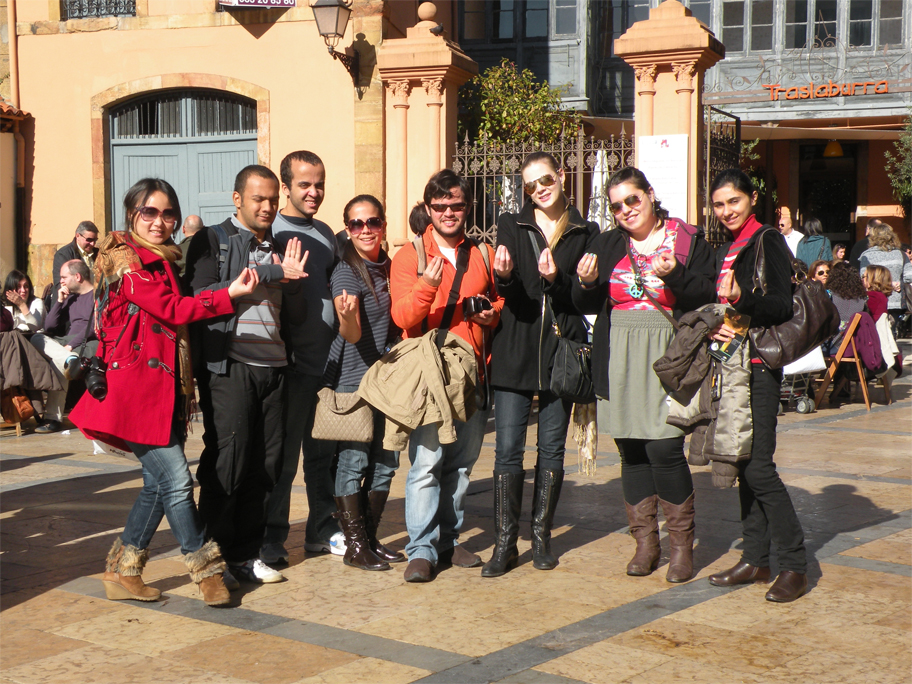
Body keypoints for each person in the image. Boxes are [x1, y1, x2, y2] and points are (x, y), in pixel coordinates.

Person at [70, 178, 260, 606]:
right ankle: (205, 570)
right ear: (132, 214)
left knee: (156, 485)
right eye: (149, 212)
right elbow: (172, 310)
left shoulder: (163, 259)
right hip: (134, 393)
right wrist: (229, 294)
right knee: (176, 479)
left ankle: (122, 571)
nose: (159, 221)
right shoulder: (128, 261)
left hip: (161, 391)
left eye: (167, 213)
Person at [573, 167, 715, 583]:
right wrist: (585, 283)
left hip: (668, 354)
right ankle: (645, 545)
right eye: (617, 206)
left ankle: (680, 548)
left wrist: (675, 275)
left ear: (650, 195)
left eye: (632, 200)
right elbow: (585, 300)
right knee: (631, 451)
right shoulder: (608, 243)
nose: (626, 210)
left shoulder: (687, 240)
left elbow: (707, 295)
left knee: (665, 449)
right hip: (619, 354)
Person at [184, 165, 308, 586]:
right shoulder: (212, 239)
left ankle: (245, 554)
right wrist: (274, 273)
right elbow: (200, 295)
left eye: (273, 199)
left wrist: (293, 284)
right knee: (228, 463)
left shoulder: (281, 246)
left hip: (274, 367)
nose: (267, 207)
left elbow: (293, 314)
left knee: (265, 465)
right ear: (237, 199)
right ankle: (213, 558)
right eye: (258, 199)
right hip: (230, 367)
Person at [482, 152, 599, 578]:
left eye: (545, 180)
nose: (539, 190)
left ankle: (541, 539)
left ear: (561, 176)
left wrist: (560, 280)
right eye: (530, 185)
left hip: (560, 351)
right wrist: (505, 277)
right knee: (507, 449)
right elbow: (511, 294)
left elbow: (586, 300)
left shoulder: (586, 231)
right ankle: (504, 543)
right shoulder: (512, 224)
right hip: (515, 346)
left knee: (551, 448)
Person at [389, 169, 503, 583]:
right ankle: (420, 549)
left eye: (456, 205)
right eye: (440, 206)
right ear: (428, 209)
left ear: (467, 207)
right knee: (427, 463)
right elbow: (402, 316)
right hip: (429, 376)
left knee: (461, 465)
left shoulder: (483, 253)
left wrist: (492, 313)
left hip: (473, 372)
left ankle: (448, 541)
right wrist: (426, 285)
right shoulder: (410, 256)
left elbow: (498, 299)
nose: (449, 213)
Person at [707, 169, 808, 603]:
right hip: (732, 365)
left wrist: (740, 301)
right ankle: (755, 559)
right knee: (745, 460)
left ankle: (795, 565)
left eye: (733, 201)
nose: (726, 210)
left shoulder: (766, 239)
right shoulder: (728, 247)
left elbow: (781, 305)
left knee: (759, 468)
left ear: (751, 198)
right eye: (718, 204)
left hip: (759, 366)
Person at [262, 150, 344, 565]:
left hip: (325, 364)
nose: (314, 192)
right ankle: (271, 538)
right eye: (305, 184)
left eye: (319, 184)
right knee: (282, 459)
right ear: (286, 187)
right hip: (289, 366)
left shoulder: (327, 232)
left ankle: (321, 530)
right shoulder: (271, 232)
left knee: (321, 455)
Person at [318, 195, 402, 572]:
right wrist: (348, 317)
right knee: (354, 461)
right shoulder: (346, 272)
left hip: (388, 380)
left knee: (386, 461)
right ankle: (355, 546)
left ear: (383, 224)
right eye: (356, 224)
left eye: (372, 222)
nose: (365, 230)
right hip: (354, 380)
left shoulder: (391, 267)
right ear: (347, 229)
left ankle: (369, 538)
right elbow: (350, 334)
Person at [29, 260, 96, 433]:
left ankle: (53, 418)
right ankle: (70, 360)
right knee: (37, 338)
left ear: (77, 276)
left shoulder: (97, 295)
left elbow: (93, 327)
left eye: (64, 277)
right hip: (67, 345)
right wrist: (59, 301)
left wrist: (71, 345)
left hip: (88, 342)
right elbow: (50, 327)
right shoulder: (70, 297)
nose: (61, 281)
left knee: (58, 363)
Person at [859, 223, 912, 322]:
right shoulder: (900, 254)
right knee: (892, 329)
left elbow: (864, 279)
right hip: (896, 301)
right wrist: (896, 283)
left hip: (874, 301)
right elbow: (909, 276)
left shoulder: (867, 255)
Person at [50, 221, 98, 304]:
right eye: (89, 240)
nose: (92, 244)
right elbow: (61, 284)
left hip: (93, 303)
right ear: (77, 236)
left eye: (95, 240)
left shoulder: (98, 253)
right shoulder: (63, 254)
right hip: (71, 304)